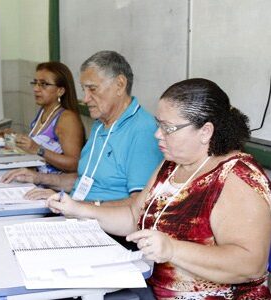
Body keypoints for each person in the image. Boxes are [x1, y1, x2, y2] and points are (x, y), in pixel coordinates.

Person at [47, 78, 271, 299]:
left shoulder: (238, 176)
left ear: (205, 131)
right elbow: (135, 216)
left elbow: (250, 264)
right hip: (152, 290)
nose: (157, 134)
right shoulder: (172, 164)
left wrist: (172, 249)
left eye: (168, 128)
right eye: (158, 124)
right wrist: (79, 209)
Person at [1, 51, 163, 208]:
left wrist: (76, 205)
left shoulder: (143, 130)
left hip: (106, 228)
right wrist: (38, 178)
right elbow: (84, 181)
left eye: (92, 89)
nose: (85, 99)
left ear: (120, 85)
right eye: (83, 90)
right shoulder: (100, 124)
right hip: (79, 212)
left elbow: (140, 204)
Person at [0, 61, 84, 173]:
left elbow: (75, 164)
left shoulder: (67, 119)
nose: (36, 89)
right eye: (35, 83)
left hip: (52, 186)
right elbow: (35, 145)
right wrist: (12, 138)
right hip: (35, 179)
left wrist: (38, 150)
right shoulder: (43, 111)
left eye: (44, 84)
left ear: (60, 91)